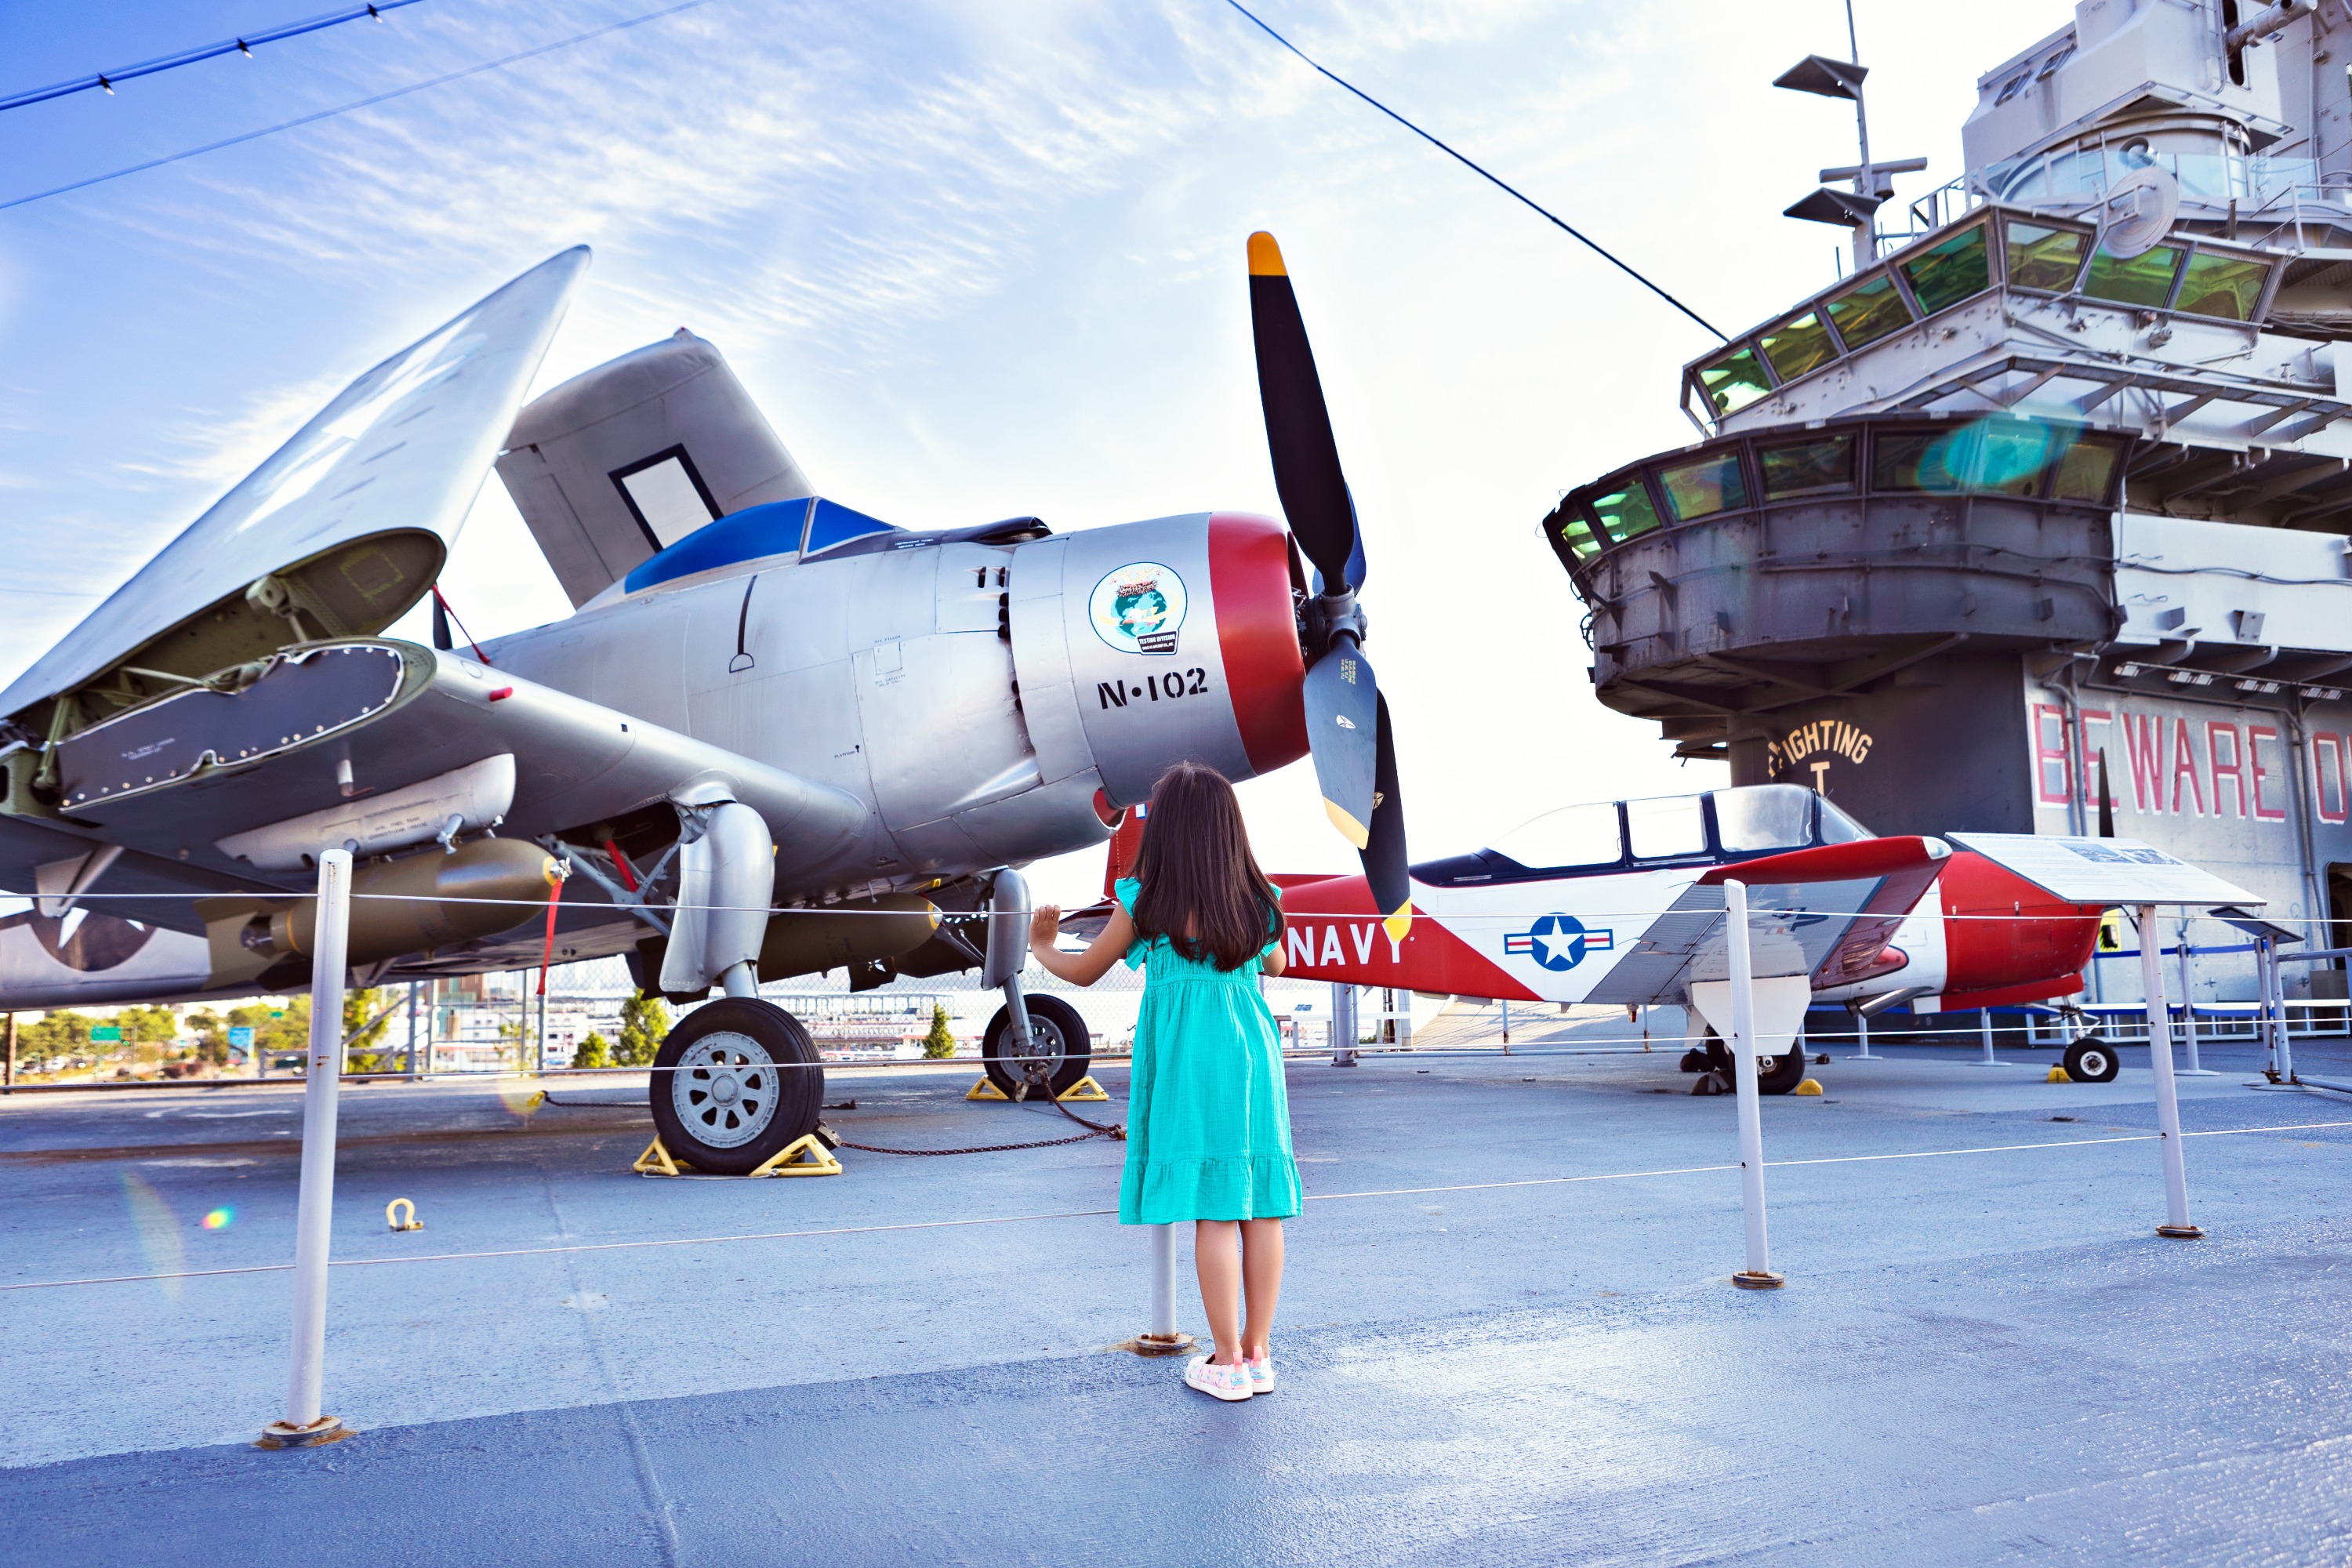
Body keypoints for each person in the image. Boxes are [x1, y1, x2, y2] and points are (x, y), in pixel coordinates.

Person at [1028, 762, 1297, 1403]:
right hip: (1252, 1054)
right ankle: (1259, 1356)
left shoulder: (1145, 902)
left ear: (1164, 831)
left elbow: (1088, 969)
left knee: (1211, 1206)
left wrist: (1041, 946)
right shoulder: (1257, 900)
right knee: (1262, 1203)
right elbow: (1278, 961)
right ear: (1230, 831)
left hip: (1187, 1056)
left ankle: (1225, 1359)